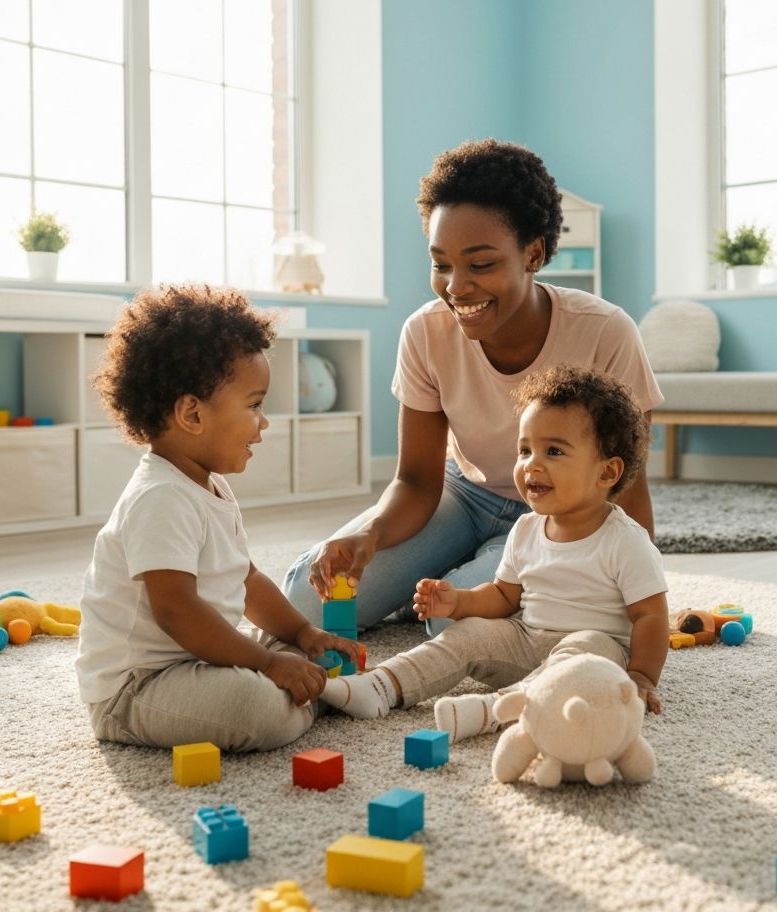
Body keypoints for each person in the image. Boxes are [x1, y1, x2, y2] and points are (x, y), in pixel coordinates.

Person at [282, 138, 663, 631]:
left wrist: (643, 602)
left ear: (534, 253)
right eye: (441, 264)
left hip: (565, 510)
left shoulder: (605, 332)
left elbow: (626, 485)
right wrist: (371, 535)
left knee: (456, 623)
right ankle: (459, 562)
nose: (456, 287)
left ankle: (467, 570)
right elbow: (417, 481)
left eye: (480, 264)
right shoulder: (425, 332)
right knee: (305, 604)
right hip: (463, 496)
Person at [75, 284, 359, 752]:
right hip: (138, 689)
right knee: (258, 709)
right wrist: (268, 665)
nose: (263, 422)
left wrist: (303, 633)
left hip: (192, 663)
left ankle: (304, 681)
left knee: (293, 650)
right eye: (254, 405)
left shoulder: (210, 484)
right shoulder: (159, 497)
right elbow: (177, 610)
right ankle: (317, 694)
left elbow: (244, 579)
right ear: (191, 413)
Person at [315, 364, 669, 739]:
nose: (531, 464)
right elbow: (503, 595)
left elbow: (650, 616)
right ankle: (383, 686)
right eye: (524, 449)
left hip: (598, 657)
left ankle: (499, 709)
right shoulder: (527, 528)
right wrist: (459, 603)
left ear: (607, 473)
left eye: (553, 451)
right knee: (467, 634)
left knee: (587, 646)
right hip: (526, 641)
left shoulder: (625, 539)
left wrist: (641, 677)